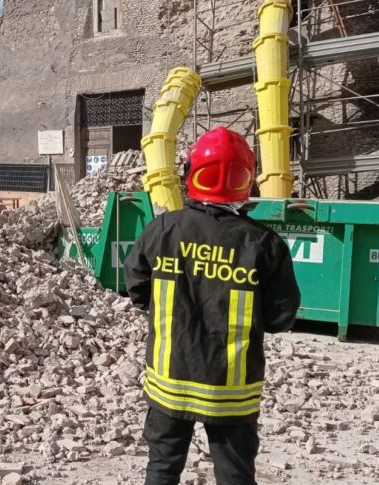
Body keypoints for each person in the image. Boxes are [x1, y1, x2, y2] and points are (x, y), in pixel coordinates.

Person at [123, 126, 301, 485]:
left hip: (169, 381)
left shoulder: (163, 230)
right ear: (247, 181)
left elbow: (137, 288)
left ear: (191, 174)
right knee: (235, 474)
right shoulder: (263, 243)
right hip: (232, 391)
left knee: (162, 468)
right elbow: (281, 317)